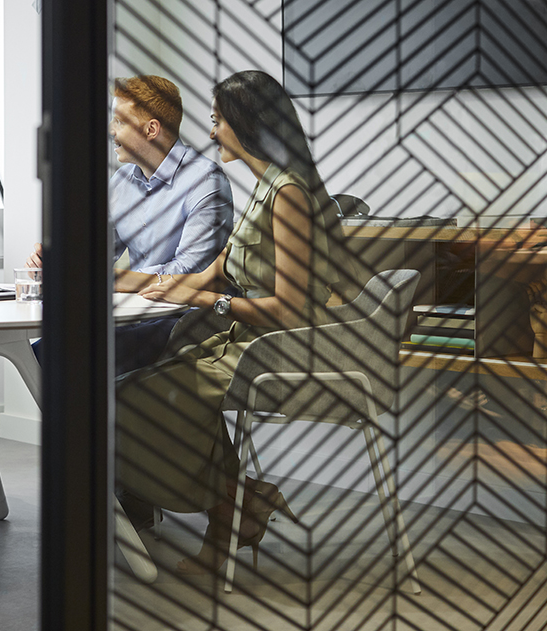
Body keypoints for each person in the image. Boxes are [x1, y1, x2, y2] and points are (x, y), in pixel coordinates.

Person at [115, 70, 347, 573]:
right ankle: (239, 506)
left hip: (276, 347)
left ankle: (229, 509)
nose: (213, 131)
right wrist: (160, 286)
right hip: (244, 339)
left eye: (218, 120)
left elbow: (290, 308)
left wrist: (208, 304)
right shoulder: (265, 187)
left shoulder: (289, 196)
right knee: (146, 385)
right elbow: (218, 268)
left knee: (132, 399)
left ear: (245, 123)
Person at [27, 75, 234, 372]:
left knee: (56, 354)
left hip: (185, 319)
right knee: (42, 353)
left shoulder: (206, 181)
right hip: (132, 313)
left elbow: (190, 270)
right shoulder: (122, 180)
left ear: (151, 129)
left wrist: (111, 280)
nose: (111, 131)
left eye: (119, 122)